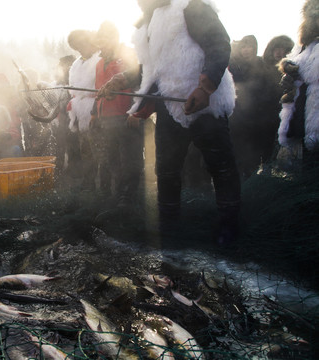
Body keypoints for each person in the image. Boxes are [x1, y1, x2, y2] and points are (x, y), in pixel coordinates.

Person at [100, 0, 240, 244]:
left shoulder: (191, 7)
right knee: (166, 170)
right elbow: (148, 68)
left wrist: (205, 87)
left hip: (206, 103)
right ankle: (169, 227)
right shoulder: (147, 23)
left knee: (221, 167)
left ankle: (229, 227)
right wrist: (121, 80)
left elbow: (218, 44)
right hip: (169, 104)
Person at [91, 21, 143, 207]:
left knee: (131, 158)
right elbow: (98, 91)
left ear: (115, 37)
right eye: (100, 39)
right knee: (113, 158)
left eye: (106, 38)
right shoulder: (98, 64)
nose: (102, 43)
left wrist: (137, 112)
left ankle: (131, 196)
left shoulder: (128, 56)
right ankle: (120, 192)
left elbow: (141, 86)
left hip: (127, 115)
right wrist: (94, 114)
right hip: (106, 118)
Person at [277, 0, 319, 170]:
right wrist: (288, 69)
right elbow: (296, 64)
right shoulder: (305, 45)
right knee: (306, 161)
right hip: (302, 106)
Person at [228, 35, 270, 178]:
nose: (246, 50)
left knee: (254, 152)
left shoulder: (262, 64)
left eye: (250, 46)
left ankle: (253, 180)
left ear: (255, 48)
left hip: (257, 116)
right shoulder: (234, 65)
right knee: (238, 150)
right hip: (237, 115)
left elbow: (267, 87)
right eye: (243, 47)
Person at [67, 29, 101, 191]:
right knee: (85, 149)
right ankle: (89, 183)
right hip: (80, 112)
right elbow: (74, 89)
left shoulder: (99, 59)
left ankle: (104, 184)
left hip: (96, 109)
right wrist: (73, 103)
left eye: (81, 44)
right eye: (76, 46)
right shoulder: (76, 64)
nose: (79, 48)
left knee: (99, 150)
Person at [259, 35, 295, 166]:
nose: (280, 52)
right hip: (262, 116)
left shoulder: (292, 72)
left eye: (284, 49)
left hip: (284, 116)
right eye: (277, 48)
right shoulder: (261, 68)